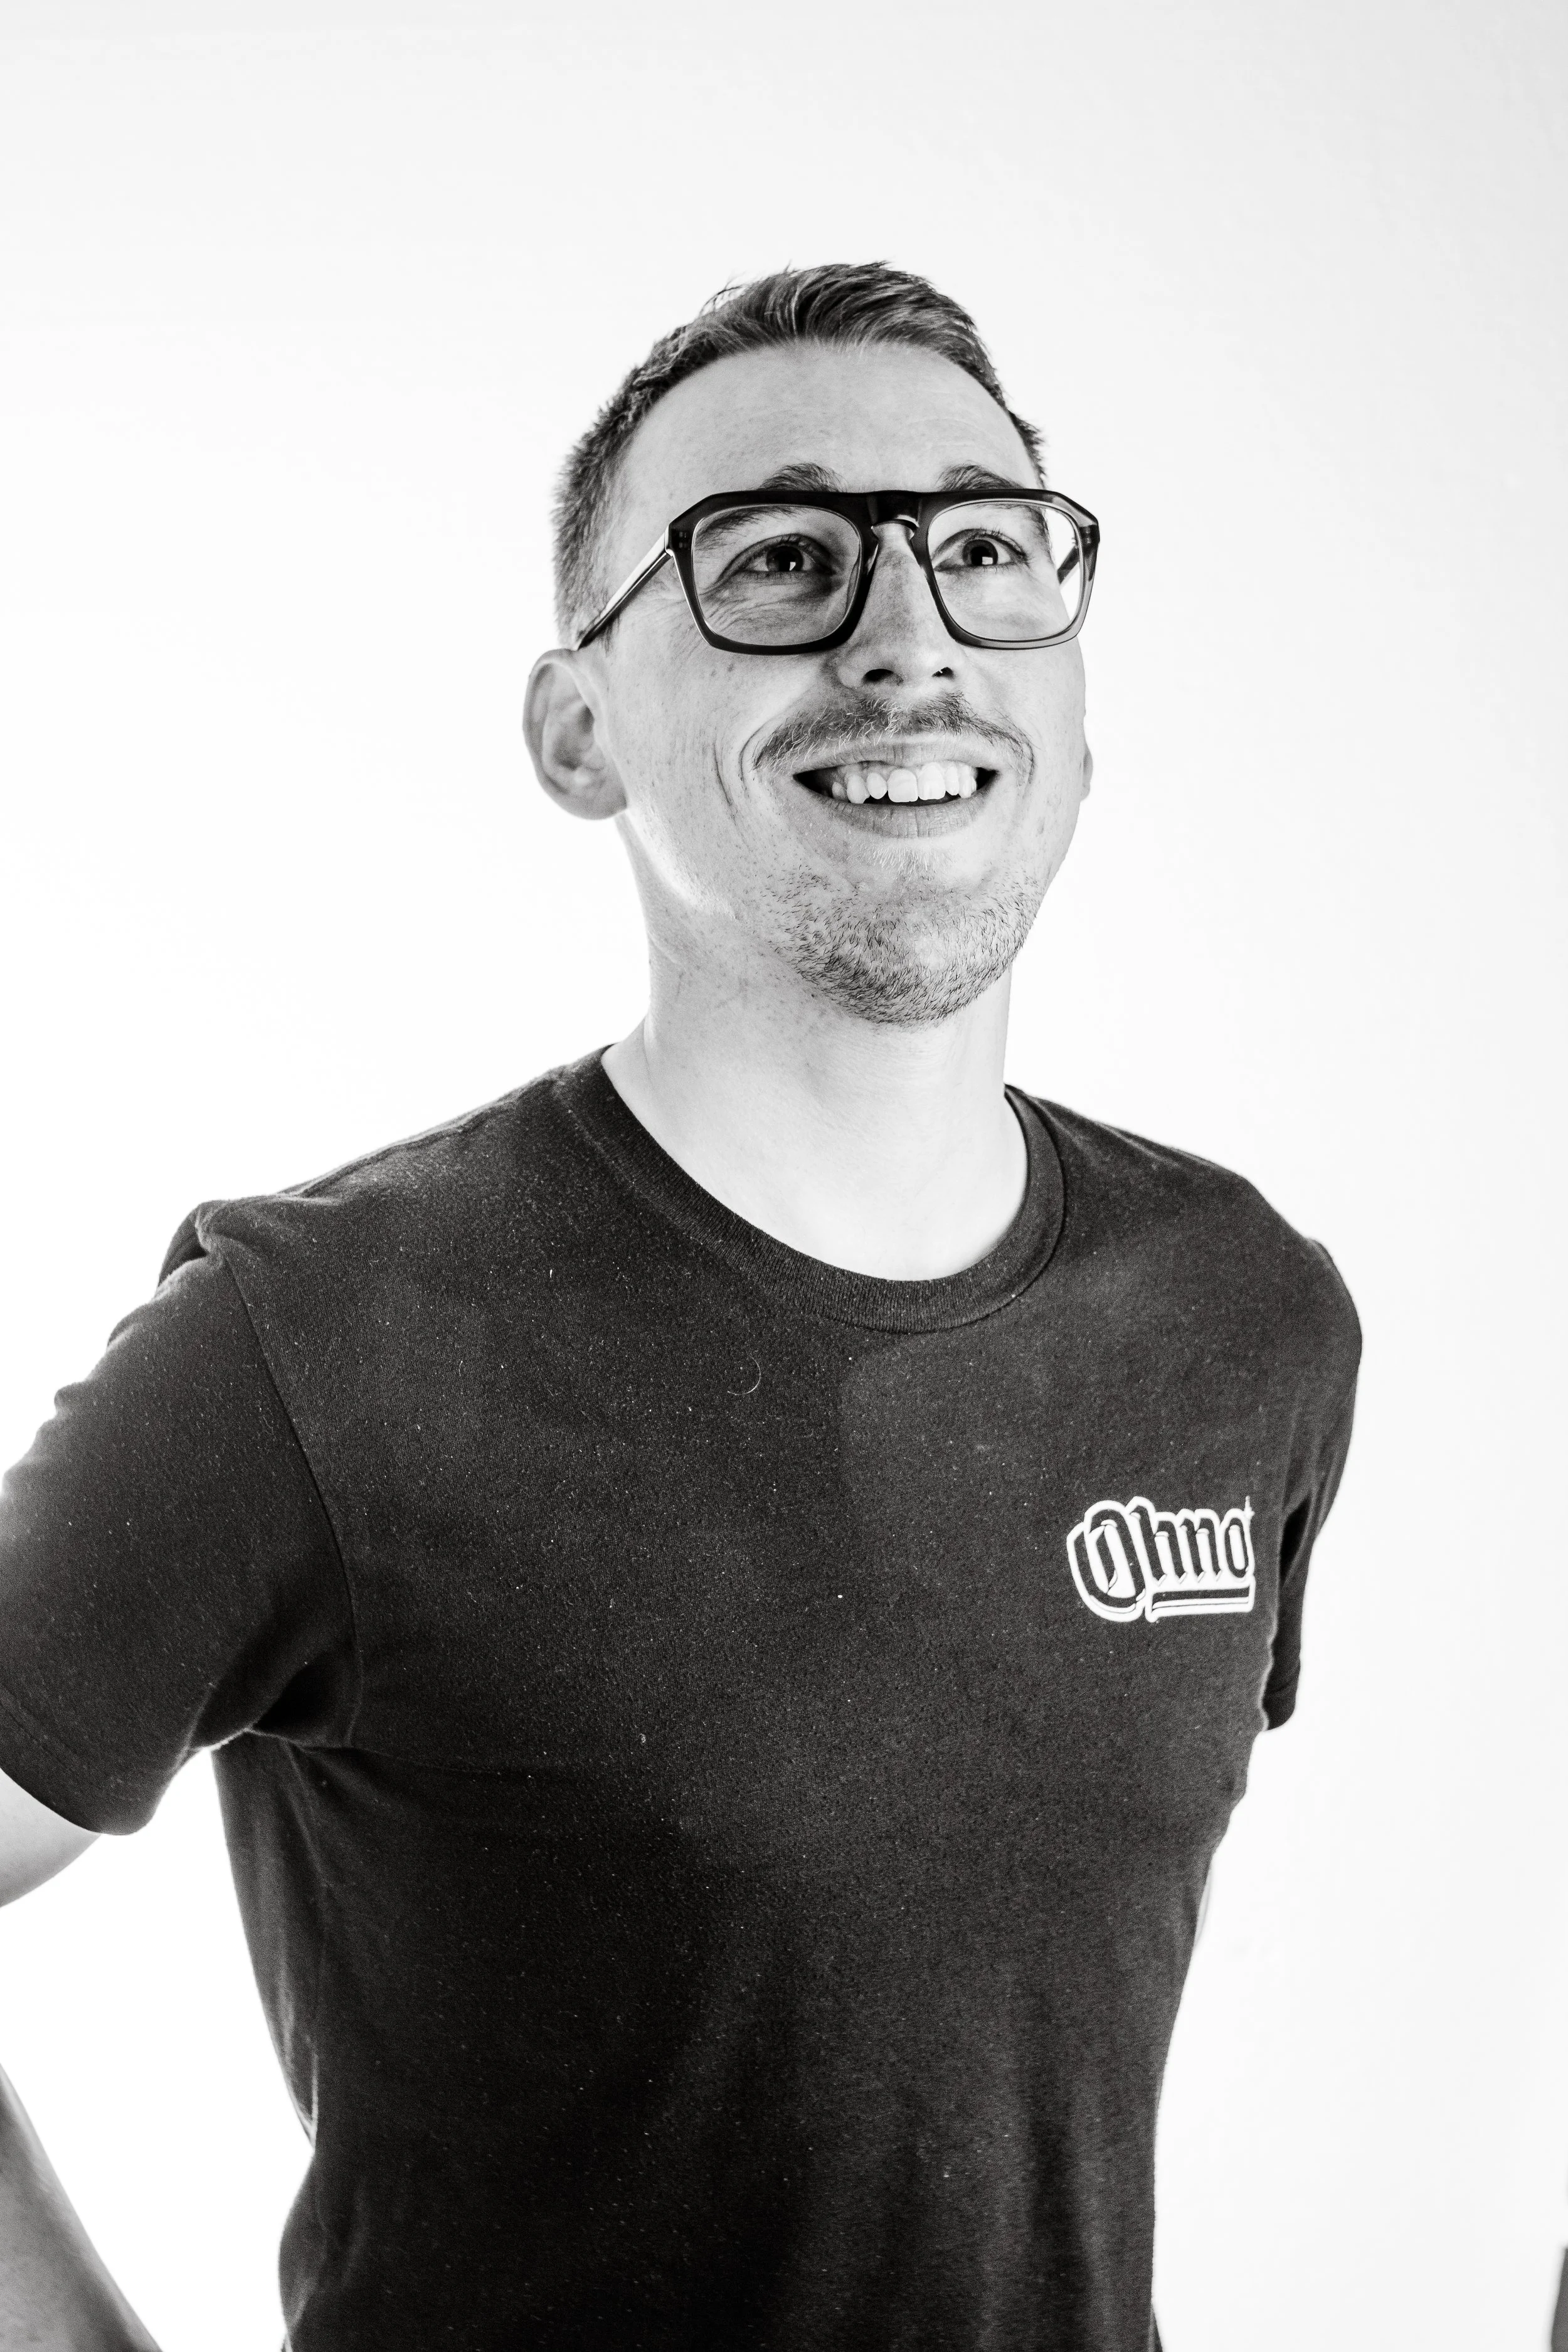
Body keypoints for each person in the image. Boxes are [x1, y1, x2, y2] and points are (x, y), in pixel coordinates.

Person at [0, 262, 1359, 2352]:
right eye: (782, 560)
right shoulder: (307, 1347)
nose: (906, 637)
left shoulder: (1242, 1316)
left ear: (1071, 698)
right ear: (579, 730)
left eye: (984, 550)